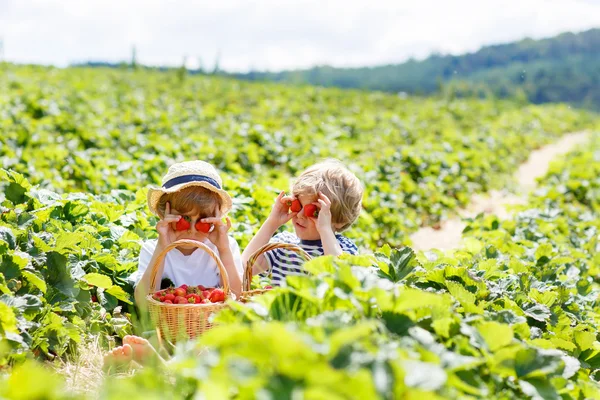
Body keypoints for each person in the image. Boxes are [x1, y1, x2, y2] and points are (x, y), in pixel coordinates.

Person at [131, 160, 243, 306]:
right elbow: (142, 303)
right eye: (184, 218)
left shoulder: (222, 247)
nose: (192, 229)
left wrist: (223, 249)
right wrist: (162, 247)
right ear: (165, 213)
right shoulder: (152, 249)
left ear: (215, 218)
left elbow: (237, 297)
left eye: (202, 220)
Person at [242, 159, 363, 286]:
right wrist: (272, 223)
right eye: (297, 205)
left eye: (315, 212)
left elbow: (342, 281)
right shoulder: (283, 243)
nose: (300, 215)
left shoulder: (343, 248)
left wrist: (325, 230)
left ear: (340, 221)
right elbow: (246, 267)